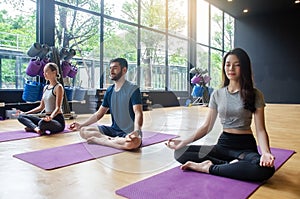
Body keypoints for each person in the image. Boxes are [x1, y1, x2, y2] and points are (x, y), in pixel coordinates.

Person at [166, 48, 275, 182]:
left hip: (244, 147)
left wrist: (266, 153)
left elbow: (260, 130)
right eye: (228, 64)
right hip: (223, 145)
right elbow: (206, 126)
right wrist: (183, 142)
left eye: (237, 64)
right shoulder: (217, 94)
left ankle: (209, 168)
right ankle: (229, 166)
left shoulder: (255, 94)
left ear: (244, 67)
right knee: (180, 153)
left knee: (265, 169)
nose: (231, 68)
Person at [69, 58, 143, 150]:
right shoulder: (109, 91)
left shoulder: (133, 89)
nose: (111, 71)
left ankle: (102, 141)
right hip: (113, 130)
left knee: (132, 144)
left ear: (124, 70)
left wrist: (136, 130)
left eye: (115, 68)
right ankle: (113, 141)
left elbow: (138, 112)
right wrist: (81, 125)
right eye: (110, 68)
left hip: (129, 132)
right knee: (83, 131)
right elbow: (99, 114)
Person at [16, 62, 65, 135]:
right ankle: (37, 129)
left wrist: (51, 117)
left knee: (42, 123)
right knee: (21, 116)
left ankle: (35, 127)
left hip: (57, 121)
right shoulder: (45, 88)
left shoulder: (59, 87)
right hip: (47, 119)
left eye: (46, 72)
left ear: (54, 72)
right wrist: (25, 113)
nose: (44, 74)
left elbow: (58, 108)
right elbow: (41, 107)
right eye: (43, 72)